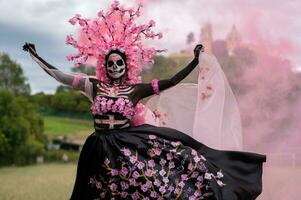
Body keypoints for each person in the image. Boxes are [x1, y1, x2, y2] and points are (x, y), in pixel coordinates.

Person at [23, 1, 265, 199]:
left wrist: (193, 62)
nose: (115, 66)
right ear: (104, 66)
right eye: (110, 63)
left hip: (126, 146)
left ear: (126, 65)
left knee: (144, 185)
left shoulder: (135, 90)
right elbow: (61, 76)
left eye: (119, 63)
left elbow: (170, 82)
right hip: (97, 148)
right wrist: (36, 57)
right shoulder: (92, 85)